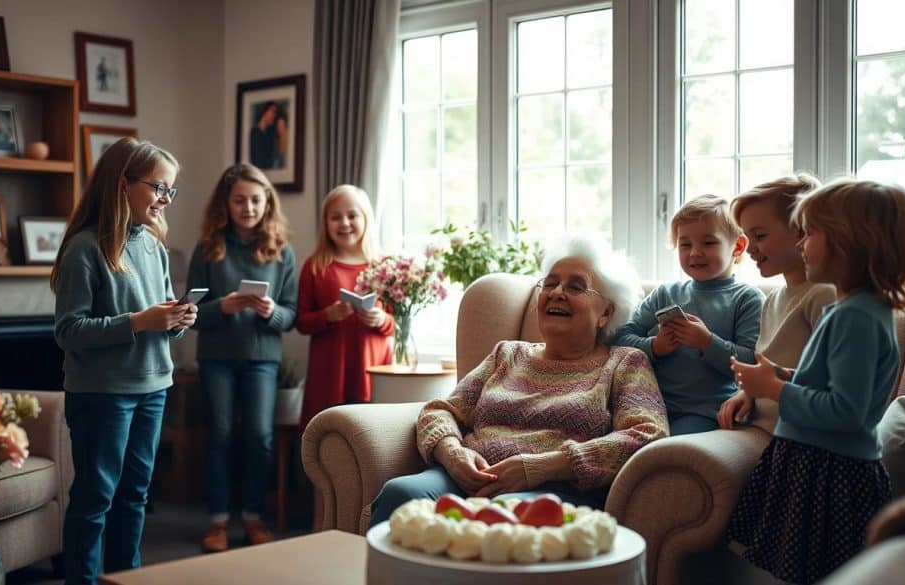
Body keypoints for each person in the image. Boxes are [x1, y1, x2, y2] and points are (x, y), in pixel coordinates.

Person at [368, 235, 668, 526]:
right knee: (400, 495)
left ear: (606, 313)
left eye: (576, 287)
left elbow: (647, 434)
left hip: (553, 491)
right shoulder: (507, 354)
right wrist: (454, 454)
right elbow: (440, 410)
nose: (557, 292)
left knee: (506, 515)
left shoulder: (624, 363)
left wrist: (540, 467)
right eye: (549, 284)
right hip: (467, 478)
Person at [728, 178, 905, 584]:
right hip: (813, 462)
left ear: (849, 242)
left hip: (830, 474)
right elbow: (830, 383)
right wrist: (782, 375)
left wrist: (775, 389)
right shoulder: (849, 310)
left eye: (810, 233)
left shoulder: (857, 317)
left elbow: (846, 412)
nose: (800, 243)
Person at [52, 137, 194, 584]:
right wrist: (139, 321)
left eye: (170, 190)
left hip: (154, 387)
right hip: (102, 395)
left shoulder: (153, 246)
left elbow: (157, 316)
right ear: (122, 184)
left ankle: (124, 579)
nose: (165, 199)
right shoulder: (84, 249)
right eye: (158, 187)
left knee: (134, 497)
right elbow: (68, 331)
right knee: (95, 498)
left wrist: (177, 319)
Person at [188, 163, 298, 552]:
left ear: (267, 201)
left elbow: (291, 315)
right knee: (219, 435)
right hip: (216, 357)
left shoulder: (282, 250)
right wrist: (223, 306)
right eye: (239, 200)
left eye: (255, 200)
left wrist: (271, 312)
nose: (248, 208)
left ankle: (253, 516)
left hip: (261, 358)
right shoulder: (207, 247)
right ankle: (217, 521)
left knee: (259, 437)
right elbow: (190, 313)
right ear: (226, 203)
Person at [613, 194, 764, 435]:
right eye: (685, 245)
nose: (695, 252)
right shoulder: (665, 293)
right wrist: (655, 347)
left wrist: (707, 342)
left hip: (704, 413)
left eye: (708, 243)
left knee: (659, 448)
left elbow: (751, 364)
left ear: (737, 246)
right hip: (646, 403)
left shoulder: (747, 299)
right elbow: (620, 337)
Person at [718, 174, 836, 432]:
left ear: (802, 232)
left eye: (760, 236)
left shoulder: (823, 295)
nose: (750, 248)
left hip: (799, 430)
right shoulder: (772, 299)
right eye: (747, 237)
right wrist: (747, 393)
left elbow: (830, 380)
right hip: (762, 424)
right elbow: (768, 365)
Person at [296, 185, 393, 433]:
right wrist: (327, 316)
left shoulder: (386, 266)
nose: (344, 223)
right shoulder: (315, 266)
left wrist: (381, 319)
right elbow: (302, 322)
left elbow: (399, 325)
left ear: (366, 219)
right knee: (328, 438)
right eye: (335, 217)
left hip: (372, 369)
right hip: (329, 372)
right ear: (325, 223)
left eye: (352, 215)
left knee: (370, 438)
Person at [249, 101, 278, 169]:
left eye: (275, 113)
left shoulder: (270, 134)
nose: (274, 116)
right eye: (272, 112)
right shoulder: (254, 132)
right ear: (265, 112)